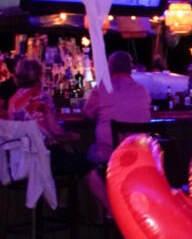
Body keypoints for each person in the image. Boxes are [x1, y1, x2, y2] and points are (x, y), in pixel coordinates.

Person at [82, 51, 151, 214]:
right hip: (138, 153)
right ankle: (138, 210)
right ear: (131, 68)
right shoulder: (142, 90)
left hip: (110, 154)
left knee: (85, 165)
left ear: (110, 68)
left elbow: (87, 113)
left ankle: (113, 210)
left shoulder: (103, 88)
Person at [7, 57, 91, 179]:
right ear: (39, 75)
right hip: (45, 157)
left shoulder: (13, 101)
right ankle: (104, 198)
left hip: (22, 160)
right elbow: (55, 130)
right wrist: (70, 136)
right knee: (86, 164)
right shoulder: (43, 97)